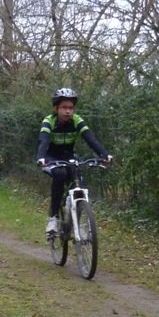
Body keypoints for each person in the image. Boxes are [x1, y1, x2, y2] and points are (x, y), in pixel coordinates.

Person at [36, 88, 112, 235]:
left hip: (69, 156)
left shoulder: (77, 120)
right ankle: (53, 218)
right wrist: (41, 157)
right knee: (59, 175)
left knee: (79, 180)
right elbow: (43, 141)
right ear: (56, 108)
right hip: (51, 157)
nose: (68, 111)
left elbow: (91, 139)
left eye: (70, 108)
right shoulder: (49, 121)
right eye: (64, 107)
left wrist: (104, 154)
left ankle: (78, 220)